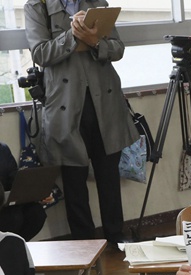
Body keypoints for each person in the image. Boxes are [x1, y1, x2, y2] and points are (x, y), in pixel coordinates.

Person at [24, 0, 137, 243]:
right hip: (65, 106)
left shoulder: (97, 3)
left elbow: (117, 49)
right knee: (74, 180)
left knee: (109, 176)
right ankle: (83, 243)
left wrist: (95, 42)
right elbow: (40, 53)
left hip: (104, 103)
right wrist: (73, 36)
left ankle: (116, 236)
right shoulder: (37, 5)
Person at [0, 142, 46, 241]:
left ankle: (17, 246)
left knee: (37, 213)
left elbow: (15, 178)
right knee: (13, 218)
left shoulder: (3, 149)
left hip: (6, 201)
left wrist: (32, 194)